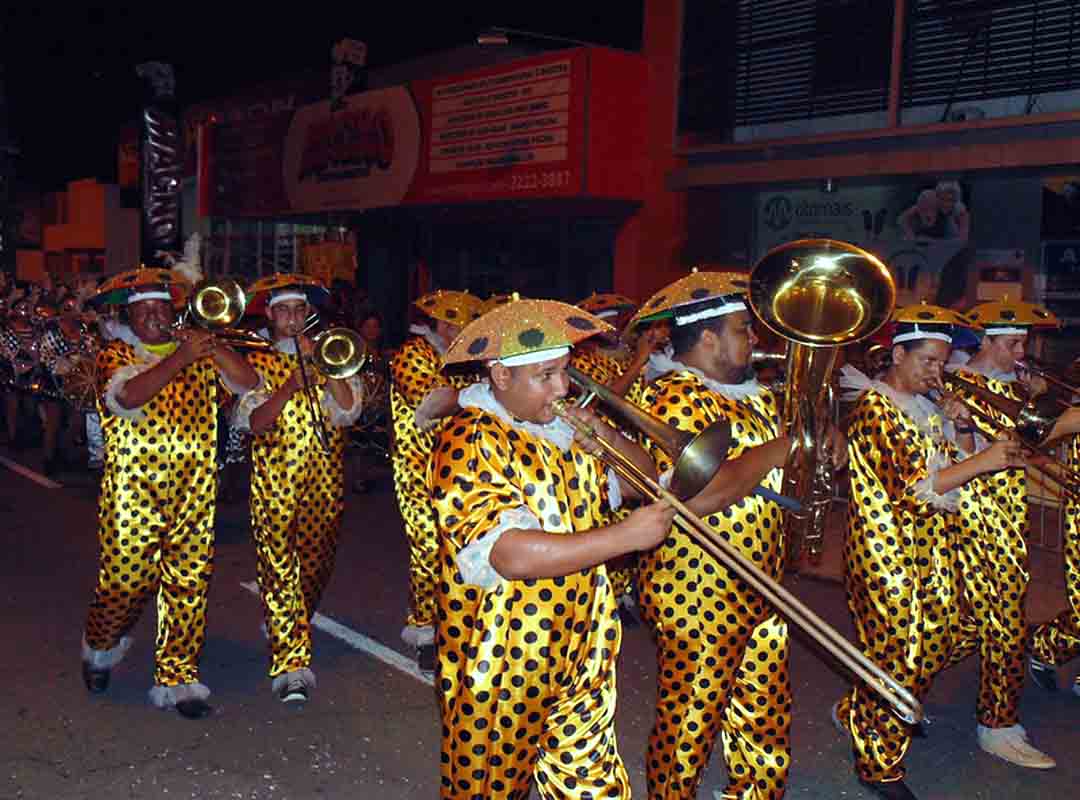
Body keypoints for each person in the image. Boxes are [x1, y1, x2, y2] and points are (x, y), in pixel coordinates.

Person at [429, 296, 675, 798]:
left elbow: (644, 480)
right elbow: (509, 555)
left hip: (585, 642)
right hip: (502, 654)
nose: (563, 388)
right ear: (501, 376)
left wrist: (604, 436)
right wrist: (624, 537)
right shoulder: (469, 439)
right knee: (488, 786)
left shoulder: (562, 432)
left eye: (564, 371)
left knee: (595, 785)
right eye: (546, 376)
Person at [631, 272, 843, 800]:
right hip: (695, 590)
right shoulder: (673, 397)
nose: (754, 339)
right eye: (743, 329)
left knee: (765, 715)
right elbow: (695, 497)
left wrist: (825, 441)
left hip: (759, 581)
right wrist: (781, 448)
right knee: (690, 722)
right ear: (707, 338)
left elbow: (789, 466)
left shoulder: (755, 396)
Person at [832, 305, 1039, 800]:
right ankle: (879, 765)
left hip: (932, 547)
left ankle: (864, 707)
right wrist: (985, 460)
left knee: (949, 634)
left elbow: (953, 464)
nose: (936, 371)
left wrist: (963, 428)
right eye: (927, 360)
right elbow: (912, 488)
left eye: (942, 362)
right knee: (902, 653)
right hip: (888, 555)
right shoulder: (876, 409)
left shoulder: (923, 406)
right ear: (897, 355)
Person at [79, 267, 258, 719]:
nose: (154, 317)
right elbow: (128, 398)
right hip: (133, 495)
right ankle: (100, 645)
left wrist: (213, 344)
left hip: (194, 489)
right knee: (124, 585)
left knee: (189, 583)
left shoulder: (197, 349)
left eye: (160, 308)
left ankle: (178, 676)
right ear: (129, 317)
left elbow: (248, 383)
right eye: (143, 311)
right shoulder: (115, 354)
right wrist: (181, 356)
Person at [944, 298, 1070, 769]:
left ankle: (874, 698)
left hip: (1008, 514)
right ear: (987, 341)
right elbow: (1024, 435)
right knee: (1004, 620)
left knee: (960, 628)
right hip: (976, 516)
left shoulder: (1008, 384)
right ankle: (998, 726)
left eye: (1023, 344)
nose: (1021, 353)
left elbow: (1030, 444)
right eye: (1013, 343)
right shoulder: (963, 384)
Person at [233, 274, 365, 704]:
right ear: (270, 316)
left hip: (325, 483)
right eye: (283, 311)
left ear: (308, 314)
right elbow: (254, 423)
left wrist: (324, 367)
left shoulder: (330, 352)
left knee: (315, 566)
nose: (292, 318)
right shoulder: (256, 360)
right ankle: (291, 666)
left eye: (299, 310)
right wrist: (290, 386)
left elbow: (349, 410)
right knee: (279, 569)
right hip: (274, 483)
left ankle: (287, 624)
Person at [390, 289, 481, 673]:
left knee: (465, 549)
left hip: (465, 469)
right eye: (456, 323)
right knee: (429, 548)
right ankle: (424, 628)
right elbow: (429, 402)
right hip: (419, 468)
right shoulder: (414, 353)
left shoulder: (469, 360)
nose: (461, 331)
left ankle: (458, 623)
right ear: (440, 323)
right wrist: (483, 390)